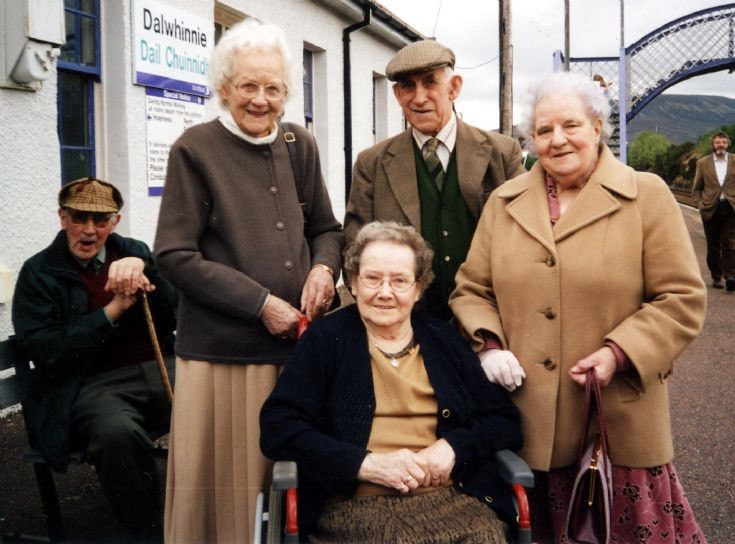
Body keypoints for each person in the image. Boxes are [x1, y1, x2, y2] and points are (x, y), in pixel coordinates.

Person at [449, 72, 708, 543]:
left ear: (595, 125)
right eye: (544, 130)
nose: (558, 139)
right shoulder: (503, 204)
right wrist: (488, 344)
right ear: (531, 139)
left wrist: (618, 352)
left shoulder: (645, 196)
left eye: (570, 125)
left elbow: (682, 299)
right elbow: (471, 289)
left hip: (614, 425)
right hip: (526, 423)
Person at [153, 19, 343, 543]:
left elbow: (327, 228)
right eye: (248, 86)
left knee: (296, 486)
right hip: (226, 356)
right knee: (234, 495)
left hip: (300, 347)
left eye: (273, 88)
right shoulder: (195, 148)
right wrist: (261, 304)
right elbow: (173, 253)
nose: (261, 100)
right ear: (224, 87)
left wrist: (325, 268)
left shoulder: (298, 143)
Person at [261, 221, 522, 543]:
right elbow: (280, 427)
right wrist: (364, 464)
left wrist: (455, 447)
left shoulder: (443, 339)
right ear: (354, 283)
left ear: (417, 289)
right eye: (373, 279)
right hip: (353, 504)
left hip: (454, 499)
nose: (385, 292)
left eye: (399, 281)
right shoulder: (326, 340)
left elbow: (503, 420)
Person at [12, 177, 178, 541]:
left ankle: (222, 517)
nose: (89, 231)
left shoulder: (133, 251)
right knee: (116, 434)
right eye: (79, 218)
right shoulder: (39, 272)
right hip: (92, 384)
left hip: (162, 367)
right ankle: (149, 533)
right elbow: (47, 350)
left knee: (222, 404)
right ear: (62, 218)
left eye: (100, 220)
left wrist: (148, 273)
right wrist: (112, 310)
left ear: (115, 222)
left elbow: (175, 317)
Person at [344, 39, 525, 320]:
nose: (418, 97)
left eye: (430, 82)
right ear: (396, 94)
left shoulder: (502, 153)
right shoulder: (373, 163)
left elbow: (526, 240)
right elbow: (354, 249)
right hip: (407, 327)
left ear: (454, 88)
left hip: (490, 322)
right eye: (407, 86)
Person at [692, 130, 735, 290]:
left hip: (730, 207)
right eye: (718, 142)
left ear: (728, 144)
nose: (721, 145)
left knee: (730, 242)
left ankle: (730, 276)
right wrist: (700, 204)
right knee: (713, 244)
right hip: (710, 208)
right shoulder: (703, 163)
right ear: (713, 144)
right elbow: (697, 188)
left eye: (723, 142)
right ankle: (717, 276)